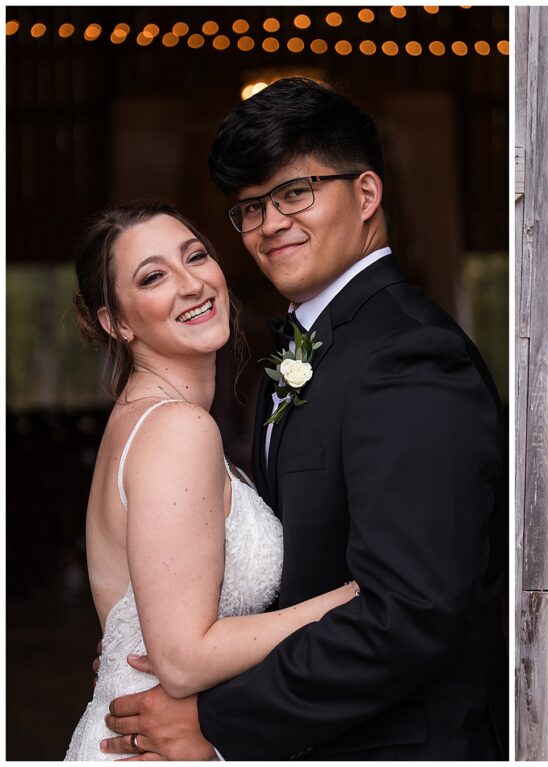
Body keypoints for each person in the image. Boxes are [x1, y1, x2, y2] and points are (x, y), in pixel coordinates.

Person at [100, 77, 507, 760]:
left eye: (295, 193)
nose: (268, 223)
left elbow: (408, 614)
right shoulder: (300, 349)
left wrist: (216, 716)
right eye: (250, 206)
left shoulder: (409, 354)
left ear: (367, 194)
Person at [65, 203, 360, 761]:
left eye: (195, 256)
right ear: (117, 322)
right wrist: (350, 599)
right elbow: (182, 661)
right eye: (153, 276)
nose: (190, 284)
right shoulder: (176, 429)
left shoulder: (139, 419)